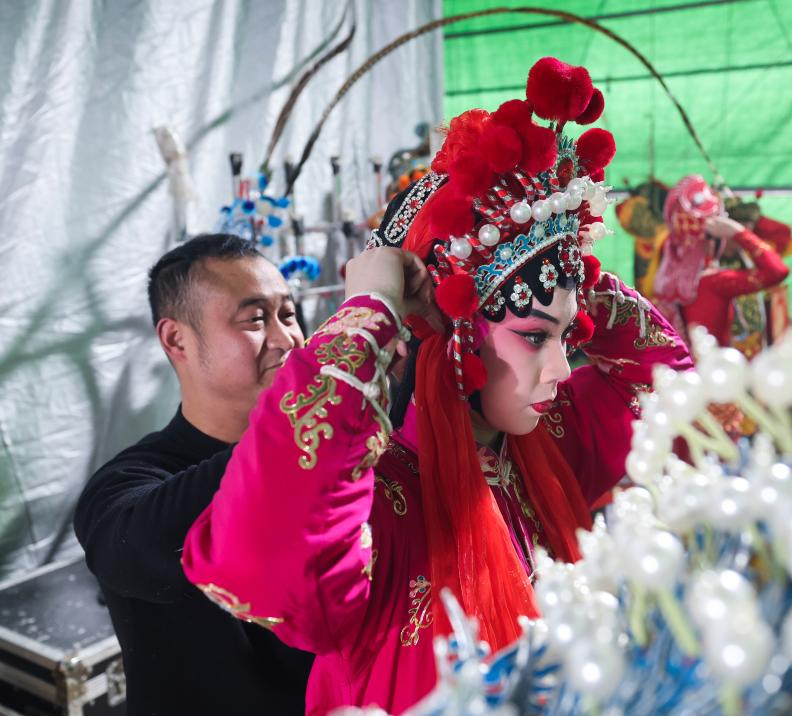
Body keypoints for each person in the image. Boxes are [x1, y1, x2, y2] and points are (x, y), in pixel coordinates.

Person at [181, 57, 693, 715]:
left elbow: (676, 392)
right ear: (459, 336)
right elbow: (263, 548)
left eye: (565, 337)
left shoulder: (548, 443)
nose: (563, 368)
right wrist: (369, 311)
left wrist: (562, 271)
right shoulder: (384, 503)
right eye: (534, 337)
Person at [74, 234, 314, 715]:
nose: (286, 339)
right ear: (176, 339)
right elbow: (137, 547)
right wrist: (298, 426)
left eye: (288, 315)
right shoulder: (125, 486)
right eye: (255, 319)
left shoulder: (318, 453)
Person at [652, 175, 789, 347]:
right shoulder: (714, 283)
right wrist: (739, 233)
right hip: (712, 363)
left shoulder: (663, 285)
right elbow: (778, 271)